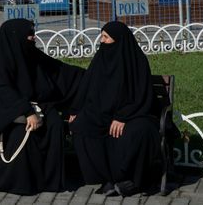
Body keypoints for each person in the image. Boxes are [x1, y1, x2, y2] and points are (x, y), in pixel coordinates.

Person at [0, 18, 84, 195]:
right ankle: (23, 181)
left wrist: (93, 76)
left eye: (33, 33)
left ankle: (49, 180)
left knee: (55, 125)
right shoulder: (4, 62)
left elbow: (60, 72)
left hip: (40, 106)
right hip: (11, 114)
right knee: (20, 133)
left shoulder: (32, 55)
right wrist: (27, 112)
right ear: (16, 36)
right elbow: (5, 91)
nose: (33, 38)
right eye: (29, 34)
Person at [69, 20, 162, 197]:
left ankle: (132, 180)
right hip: (103, 112)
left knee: (136, 133)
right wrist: (75, 110)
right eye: (101, 37)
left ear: (118, 40)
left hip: (135, 113)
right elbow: (87, 86)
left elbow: (141, 95)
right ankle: (107, 177)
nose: (102, 41)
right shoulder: (101, 59)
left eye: (106, 37)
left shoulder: (136, 61)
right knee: (81, 126)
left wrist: (122, 116)